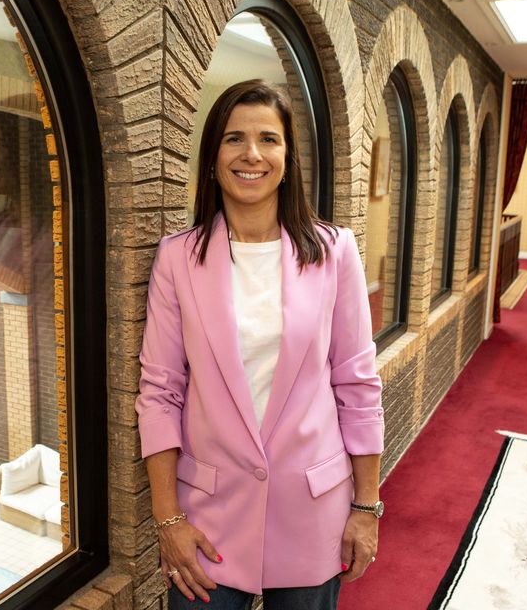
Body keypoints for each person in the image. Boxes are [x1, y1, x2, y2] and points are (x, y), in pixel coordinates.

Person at [136, 79, 384, 609]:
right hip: (207, 519)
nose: (252, 154)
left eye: (269, 139)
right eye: (234, 139)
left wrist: (367, 506)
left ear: (289, 157)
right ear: (212, 158)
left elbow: (357, 384)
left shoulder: (334, 251)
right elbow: (160, 393)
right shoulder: (178, 259)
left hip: (312, 511)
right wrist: (168, 518)